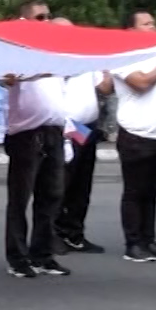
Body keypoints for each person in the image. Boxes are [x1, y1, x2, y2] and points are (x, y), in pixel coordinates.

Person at [0, 0, 70, 278]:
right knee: (20, 198)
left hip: (53, 129)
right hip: (27, 133)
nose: (46, 22)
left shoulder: (56, 51)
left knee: (51, 196)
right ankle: (17, 258)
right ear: (26, 21)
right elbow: (8, 77)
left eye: (48, 16)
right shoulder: (16, 49)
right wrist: (42, 67)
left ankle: (42, 254)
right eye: (40, 17)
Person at [111, 9, 156, 263]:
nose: (153, 27)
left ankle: (149, 239)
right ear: (131, 31)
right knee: (134, 192)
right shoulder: (124, 57)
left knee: (152, 192)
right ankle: (133, 244)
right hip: (136, 135)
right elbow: (141, 83)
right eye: (146, 24)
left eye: (154, 23)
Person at [53, 17, 112, 255]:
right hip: (65, 126)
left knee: (82, 183)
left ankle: (74, 232)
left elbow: (105, 88)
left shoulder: (86, 57)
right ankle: (53, 232)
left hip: (86, 126)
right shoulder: (50, 59)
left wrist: (106, 64)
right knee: (61, 182)